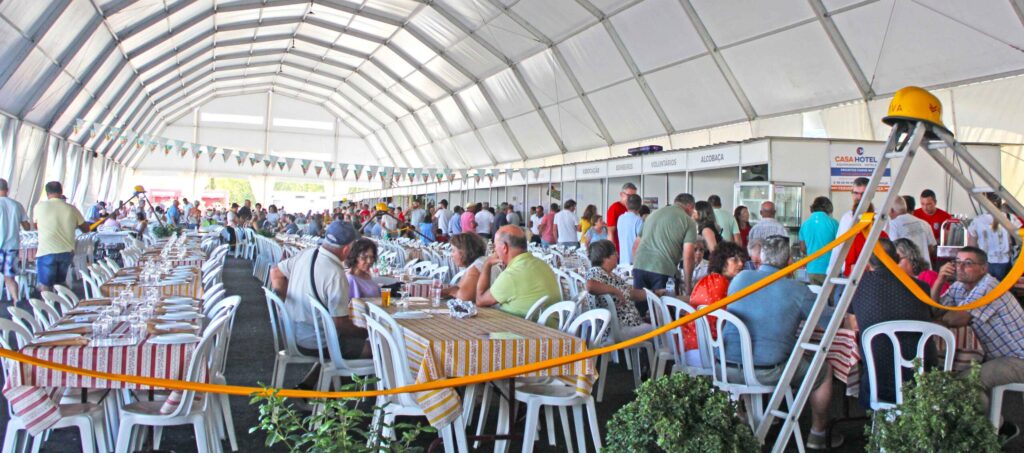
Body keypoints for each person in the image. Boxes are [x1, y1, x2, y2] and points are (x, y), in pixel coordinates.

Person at [724, 235, 840, 448]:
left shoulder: (739, 279)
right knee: (823, 371)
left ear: (760, 258)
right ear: (789, 263)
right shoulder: (798, 290)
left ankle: (757, 421)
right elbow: (829, 320)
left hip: (724, 366)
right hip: (766, 371)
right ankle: (817, 434)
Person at [269, 221, 367, 390]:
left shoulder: (306, 254)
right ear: (346, 249)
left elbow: (275, 272)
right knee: (374, 347)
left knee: (333, 342)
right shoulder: (336, 275)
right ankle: (337, 399)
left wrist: (285, 303)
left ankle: (307, 387)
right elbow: (340, 325)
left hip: (290, 332)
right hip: (314, 343)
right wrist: (365, 332)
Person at [932, 246, 1024, 421]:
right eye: (957, 262)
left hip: (1018, 358)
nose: (960, 267)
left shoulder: (988, 286)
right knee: (960, 375)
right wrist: (939, 280)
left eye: (968, 263)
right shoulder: (960, 286)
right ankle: (991, 425)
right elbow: (936, 311)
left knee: (966, 383)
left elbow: (955, 319)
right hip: (1001, 357)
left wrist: (931, 323)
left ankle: (994, 429)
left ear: (984, 268)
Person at [849, 238, 935, 409]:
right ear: (896, 257)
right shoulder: (921, 288)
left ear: (866, 259)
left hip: (878, 383)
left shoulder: (856, 287)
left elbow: (854, 326)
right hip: (922, 380)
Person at [684, 241, 747, 367]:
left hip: (688, 346)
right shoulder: (722, 284)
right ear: (722, 261)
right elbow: (727, 324)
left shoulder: (708, 280)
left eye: (741, 259)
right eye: (734, 259)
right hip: (705, 351)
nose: (741, 263)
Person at [476, 226, 560, 317]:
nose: (495, 250)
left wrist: (487, 264)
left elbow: (480, 300)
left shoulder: (511, 275)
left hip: (524, 328)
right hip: (551, 327)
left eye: (495, 246)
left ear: (504, 247)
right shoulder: (543, 264)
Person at [584, 239, 655, 338]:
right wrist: (615, 290)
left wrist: (654, 294)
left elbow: (632, 293)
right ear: (606, 257)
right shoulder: (596, 271)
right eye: (615, 253)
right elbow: (590, 286)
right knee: (662, 331)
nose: (617, 256)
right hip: (618, 329)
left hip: (630, 324)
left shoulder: (611, 275)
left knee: (658, 326)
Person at [632, 193, 698, 293]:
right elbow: (688, 256)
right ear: (690, 206)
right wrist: (688, 287)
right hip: (662, 270)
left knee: (641, 306)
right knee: (663, 307)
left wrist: (636, 266)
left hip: (639, 267)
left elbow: (636, 245)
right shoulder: (688, 221)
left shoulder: (652, 215)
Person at [33, 182, 89, 292]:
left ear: (47, 192)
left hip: (46, 251)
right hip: (66, 252)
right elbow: (86, 229)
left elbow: (36, 225)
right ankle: (65, 303)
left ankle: (48, 306)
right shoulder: (71, 209)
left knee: (45, 284)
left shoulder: (39, 207)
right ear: (61, 192)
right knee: (60, 282)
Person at [967, 192, 1019, 280]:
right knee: (1004, 290)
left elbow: (972, 247)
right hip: (1005, 262)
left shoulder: (977, 221)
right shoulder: (1010, 218)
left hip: (984, 263)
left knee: (987, 289)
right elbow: (1019, 239)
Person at [829, 177, 870, 273]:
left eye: (863, 194)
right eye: (855, 193)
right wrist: (831, 270)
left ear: (870, 195)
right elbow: (838, 245)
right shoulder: (846, 218)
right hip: (847, 271)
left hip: (870, 272)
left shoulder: (878, 217)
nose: (859, 197)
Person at [0, 179, 31, 302]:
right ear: (7, 190)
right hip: (12, 247)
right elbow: (27, 227)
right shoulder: (17, 205)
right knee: (9, 278)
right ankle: (16, 301)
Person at [886, 195, 936, 269]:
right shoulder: (923, 223)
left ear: (891, 210)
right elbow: (931, 248)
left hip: (907, 273)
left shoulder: (893, 225)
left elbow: (893, 251)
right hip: (926, 271)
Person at [799, 196, 839, 285]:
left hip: (812, 268)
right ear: (829, 208)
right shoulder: (834, 223)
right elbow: (840, 246)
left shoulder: (805, 224)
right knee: (829, 297)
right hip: (830, 269)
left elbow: (803, 249)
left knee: (815, 297)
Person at [445, 233, 488, 301]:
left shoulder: (477, 266)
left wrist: (449, 291)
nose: (451, 255)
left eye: (453, 251)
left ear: (463, 252)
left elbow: (464, 297)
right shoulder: (480, 262)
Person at [607, 182, 638, 253]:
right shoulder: (614, 208)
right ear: (621, 194)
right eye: (629, 196)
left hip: (633, 248)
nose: (631, 199)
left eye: (634, 196)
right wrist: (612, 252)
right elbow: (610, 232)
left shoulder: (634, 209)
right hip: (619, 250)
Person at [616, 195, 644, 266]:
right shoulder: (638, 220)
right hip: (634, 262)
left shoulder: (620, 218)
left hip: (622, 261)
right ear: (640, 207)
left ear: (626, 205)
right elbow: (642, 241)